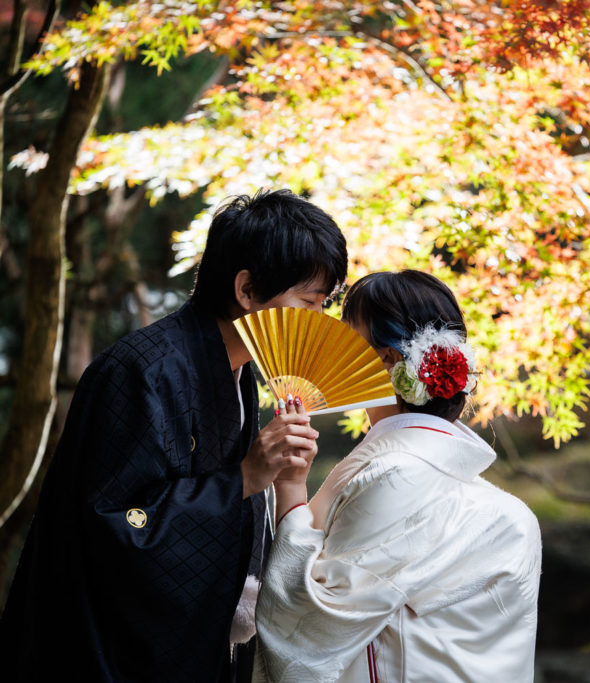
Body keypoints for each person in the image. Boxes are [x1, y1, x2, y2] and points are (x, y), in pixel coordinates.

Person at [0, 189, 348, 682]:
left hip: (200, 646)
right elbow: (116, 525)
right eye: (308, 303)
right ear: (247, 290)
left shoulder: (242, 375)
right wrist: (243, 479)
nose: (317, 323)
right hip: (111, 653)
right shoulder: (144, 370)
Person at [255, 270, 542, 682]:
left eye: (347, 340)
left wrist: (289, 489)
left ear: (388, 361)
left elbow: (311, 628)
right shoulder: (501, 509)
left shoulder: (397, 476)